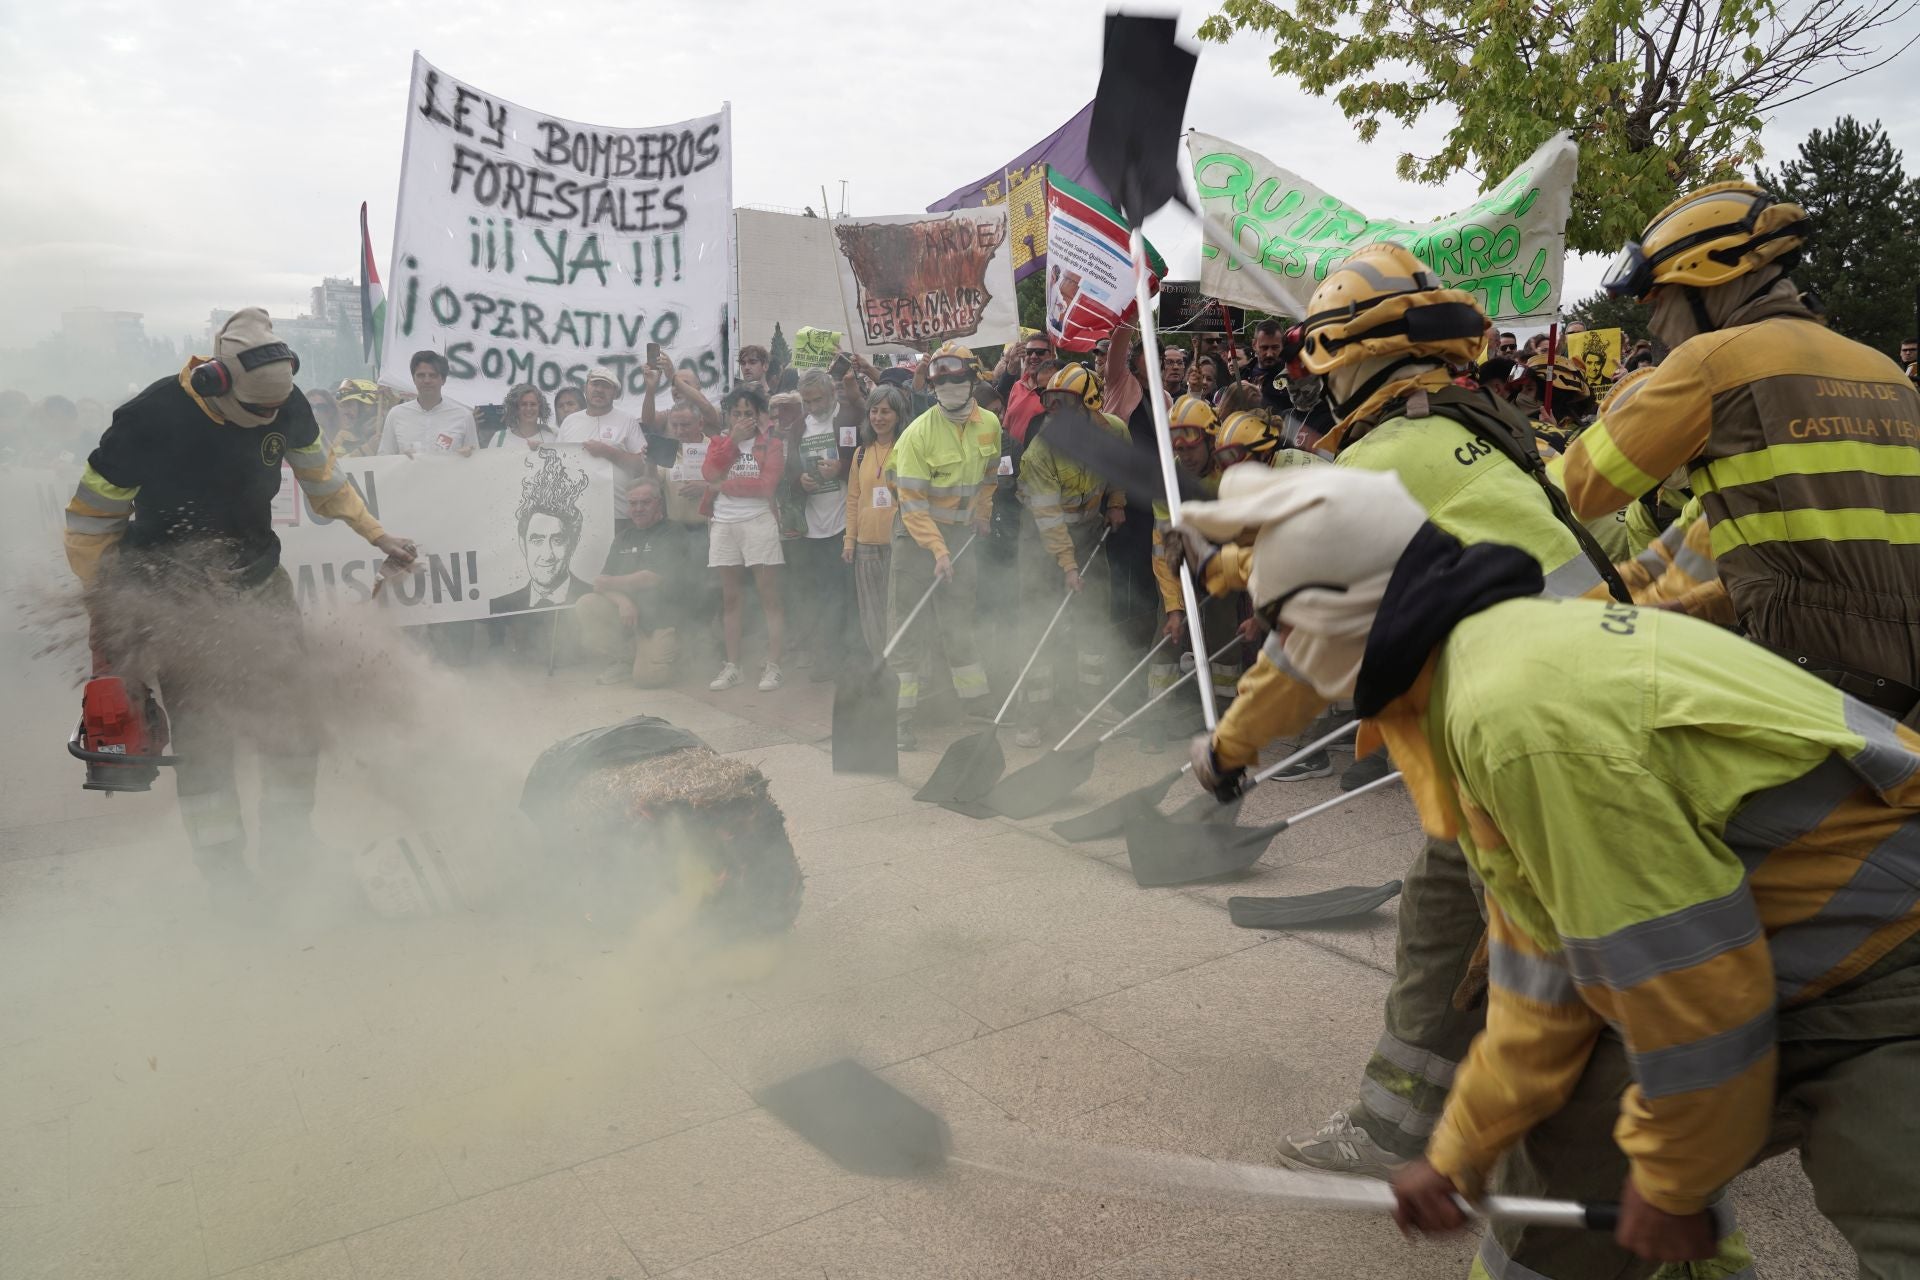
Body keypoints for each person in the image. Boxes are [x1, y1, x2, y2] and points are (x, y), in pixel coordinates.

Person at [1180, 462, 1920, 1276]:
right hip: (1803, 956)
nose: (1280, 653)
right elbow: (1544, 979)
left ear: (1333, 619)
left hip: (1887, 972)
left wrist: (1674, 1183)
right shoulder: (1490, 677)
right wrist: (1458, 1153)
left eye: (1281, 627)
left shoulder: (1516, 721)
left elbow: (1695, 986)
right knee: (1564, 1188)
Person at [1163, 243, 1621, 1182]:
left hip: (1538, 742)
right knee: (1455, 916)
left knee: (1533, 960)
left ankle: (1588, 1170)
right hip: (1577, 713)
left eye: (1326, 363)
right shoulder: (1489, 431)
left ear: (1352, 354)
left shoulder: (1382, 458)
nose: (1324, 386)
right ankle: (1402, 1123)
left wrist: (1225, 754)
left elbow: (1303, 653)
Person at [64, 308, 416, 904]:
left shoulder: (288, 403)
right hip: (172, 595)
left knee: (296, 717)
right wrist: (107, 611)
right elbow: (90, 522)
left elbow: (322, 478)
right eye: (257, 411)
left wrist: (377, 534)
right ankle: (225, 873)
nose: (268, 420)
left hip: (260, 578)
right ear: (216, 380)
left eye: (276, 409)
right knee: (206, 739)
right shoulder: (148, 419)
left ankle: (290, 846)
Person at [1568, 180, 1920, 725]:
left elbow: (1579, 490)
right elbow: (1817, 563)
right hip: (1902, 687)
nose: (1655, 324)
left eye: (1659, 300)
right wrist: (1682, 608)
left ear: (1707, 278)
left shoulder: (1713, 362)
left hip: (1805, 676)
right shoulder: (1888, 372)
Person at [885, 343, 999, 749]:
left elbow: (989, 477)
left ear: (972, 379)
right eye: (941, 383)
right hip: (914, 536)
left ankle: (974, 702)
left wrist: (982, 513)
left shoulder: (990, 424)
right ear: (932, 387)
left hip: (959, 534)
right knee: (908, 625)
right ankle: (900, 717)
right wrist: (938, 550)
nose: (949, 388)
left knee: (958, 619)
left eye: (956, 380)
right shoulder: (918, 435)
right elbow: (912, 505)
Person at [1012, 364, 1128, 747]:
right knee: (1039, 621)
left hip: (1089, 532)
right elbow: (1048, 519)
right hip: (1042, 540)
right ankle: (1034, 714)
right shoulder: (1040, 453)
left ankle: (1090, 699)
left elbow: (1120, 469)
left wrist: (1116, 502)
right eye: (1051, 403)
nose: (1055, 412)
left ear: (1091, 406)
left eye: (1065, 403)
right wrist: (1068, 565)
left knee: (1094, 613)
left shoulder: (1112, 432)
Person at [702, 384, 786, 691]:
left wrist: (724, 486)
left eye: (747, 413)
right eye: (736, 413)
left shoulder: (772, 444)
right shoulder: (719, 442)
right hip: (724, 523)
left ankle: (774, 664)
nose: (741, 419)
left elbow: (766, 486)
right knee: (731, 598)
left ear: (760, 415)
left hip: (758, 521)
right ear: (728, 415)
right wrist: (732, 443)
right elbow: (710, 474)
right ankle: (733, 665)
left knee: (769, 596)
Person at [575, 475, 687, 687]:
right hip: (629, 617)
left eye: (645, 502)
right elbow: (600, 585)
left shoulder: (673, 532)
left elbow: (651, 578)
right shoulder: (623, 538)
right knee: (587, 603)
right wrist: (624, 602)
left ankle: (679, 653)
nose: (638, 509)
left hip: (662, 620)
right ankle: (625, 660)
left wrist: (610, 583)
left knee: (648, 679)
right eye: (633, 503)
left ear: (659, 503)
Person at [790, 368, 858, 680]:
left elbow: (866, 459)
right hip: (812, 525)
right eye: (807, 401)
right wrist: (800, 481)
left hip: (845, 522)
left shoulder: (849, 417)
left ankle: (850, 659)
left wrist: (841, 468)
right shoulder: (798, 427)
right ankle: (825, 657)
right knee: (819, 594)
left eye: (817, 400)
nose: (812, 407)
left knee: (846, 595)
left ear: (831, 393)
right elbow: (789, 470)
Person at [487, 448, 593, 614]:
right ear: (523, 544)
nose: (547, 555)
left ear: (573, 544)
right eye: (537, 540)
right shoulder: (499, 607)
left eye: (557, 540)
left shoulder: (593, 597)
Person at [844, 383, 908, 660]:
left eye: (886, 411)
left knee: (899, 609)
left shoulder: (907, 449)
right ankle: (881, 667)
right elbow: (853, 499)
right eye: (874, 411)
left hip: (899, 544)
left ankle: (903, 666)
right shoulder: (860, 454)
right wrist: (849, 541)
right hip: (866, 546)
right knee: (872, 614)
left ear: (898, 415)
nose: (878, 417)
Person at [557, 365, 650, 526]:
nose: (599, 390)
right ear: (585, 388)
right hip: (576, 516)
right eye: (595, 384)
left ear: (615, 393)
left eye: (606, 386)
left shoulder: (627, 420)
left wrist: (608, 452)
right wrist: (538, 449)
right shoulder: (569, 422)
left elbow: (643, 467)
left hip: (618, 516)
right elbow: (557, 463)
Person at [377, 350, 477, 455]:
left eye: (433, 375)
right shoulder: (396, 415)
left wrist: (467, 456)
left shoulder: (463, 416)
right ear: (413, 379)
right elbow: (385, 457)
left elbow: (475, 458)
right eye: (421, 375)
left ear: (443, 380)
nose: (427, 380)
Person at [490, 383, 554, 449]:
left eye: (533, 404)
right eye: (524, 404)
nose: (528, 408)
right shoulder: (498, 439)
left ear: (540, 407)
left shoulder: (549, 439)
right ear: (515, 408)